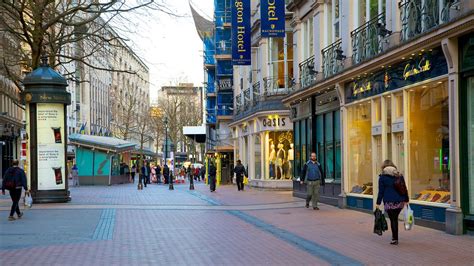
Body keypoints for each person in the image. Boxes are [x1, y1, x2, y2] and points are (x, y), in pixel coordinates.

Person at [376, 160, 409, 245]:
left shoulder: (382, 177)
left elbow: (381, 192)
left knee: (393, 219)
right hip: (399, 201)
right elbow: (404, 188)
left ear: (384, 167)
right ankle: (395, 238)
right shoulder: (399, 176)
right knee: (395, 219)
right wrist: (406, 200)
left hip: (389, 202)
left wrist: (378, 203)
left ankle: (395, 239)